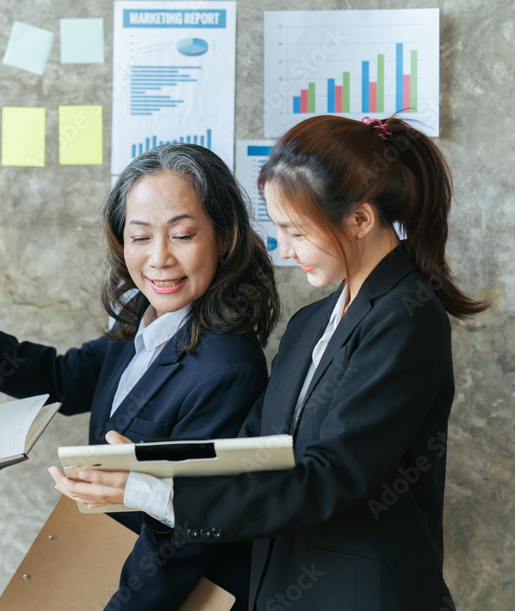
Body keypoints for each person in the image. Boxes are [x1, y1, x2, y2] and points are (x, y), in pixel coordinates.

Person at [54, 116, 489, 610]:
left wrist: (155, 494)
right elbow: (248, 452)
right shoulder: (311, 322)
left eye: (296, 231)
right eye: (278, 230)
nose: (283, 249)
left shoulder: (407, 316)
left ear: (361, 219)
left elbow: (330, 477)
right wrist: (140, 467)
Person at [0, 143, 280, 610]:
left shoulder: (228, 369)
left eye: (182, 235)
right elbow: (61, 379)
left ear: (224, 238)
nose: (159, 258)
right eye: (140, 237)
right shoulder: (145, 319)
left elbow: (183, 536)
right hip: (101, 558)